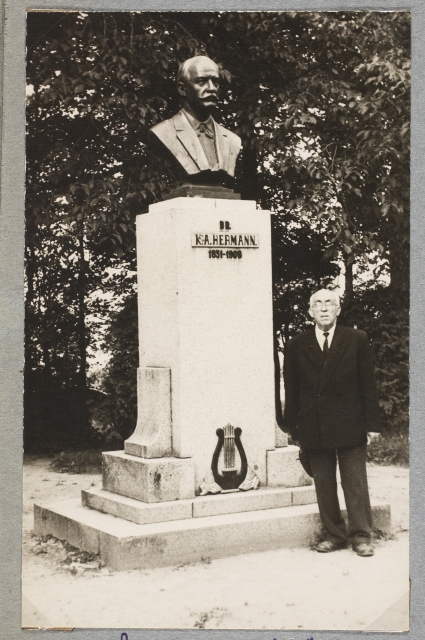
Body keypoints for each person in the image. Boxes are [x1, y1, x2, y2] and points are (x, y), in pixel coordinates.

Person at [283, 289, 382, 557]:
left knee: (355, 482)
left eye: (330, 303)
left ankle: (361, 536)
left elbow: (368, 385)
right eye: (318, 304)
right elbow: (291, 390)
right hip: (313, 425)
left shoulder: (356, 339)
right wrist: (293, 428)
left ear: (338, 309)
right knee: (324, 483)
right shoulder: (296, 344)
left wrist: (372, 424)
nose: (324, 308)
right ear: (310, 311)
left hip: (350, 421)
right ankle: (334, 535)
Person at [149, 55, 241, 187]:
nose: (212, 88)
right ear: (182, 89)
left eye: (215, 82)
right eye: (201, 82)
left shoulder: (233, 140)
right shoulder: (163, 132)